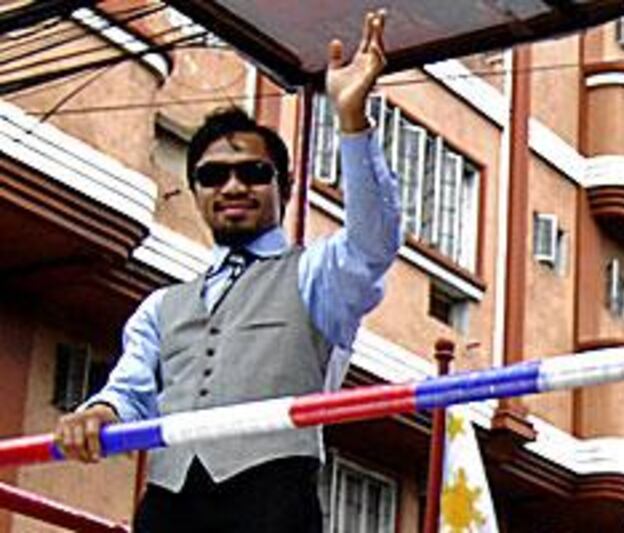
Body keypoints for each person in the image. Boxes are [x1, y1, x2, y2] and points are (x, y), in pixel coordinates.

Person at [53, 10, 400, 533]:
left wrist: (351, 121)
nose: (233, 187)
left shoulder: (317, 274)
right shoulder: (161, 307)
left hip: (272, 503)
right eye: (213, 176)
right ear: (194, 191)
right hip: (169, 506)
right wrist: (98, 413)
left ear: (282, 184)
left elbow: (373, 243)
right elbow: (130, 390)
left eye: (253, 173)